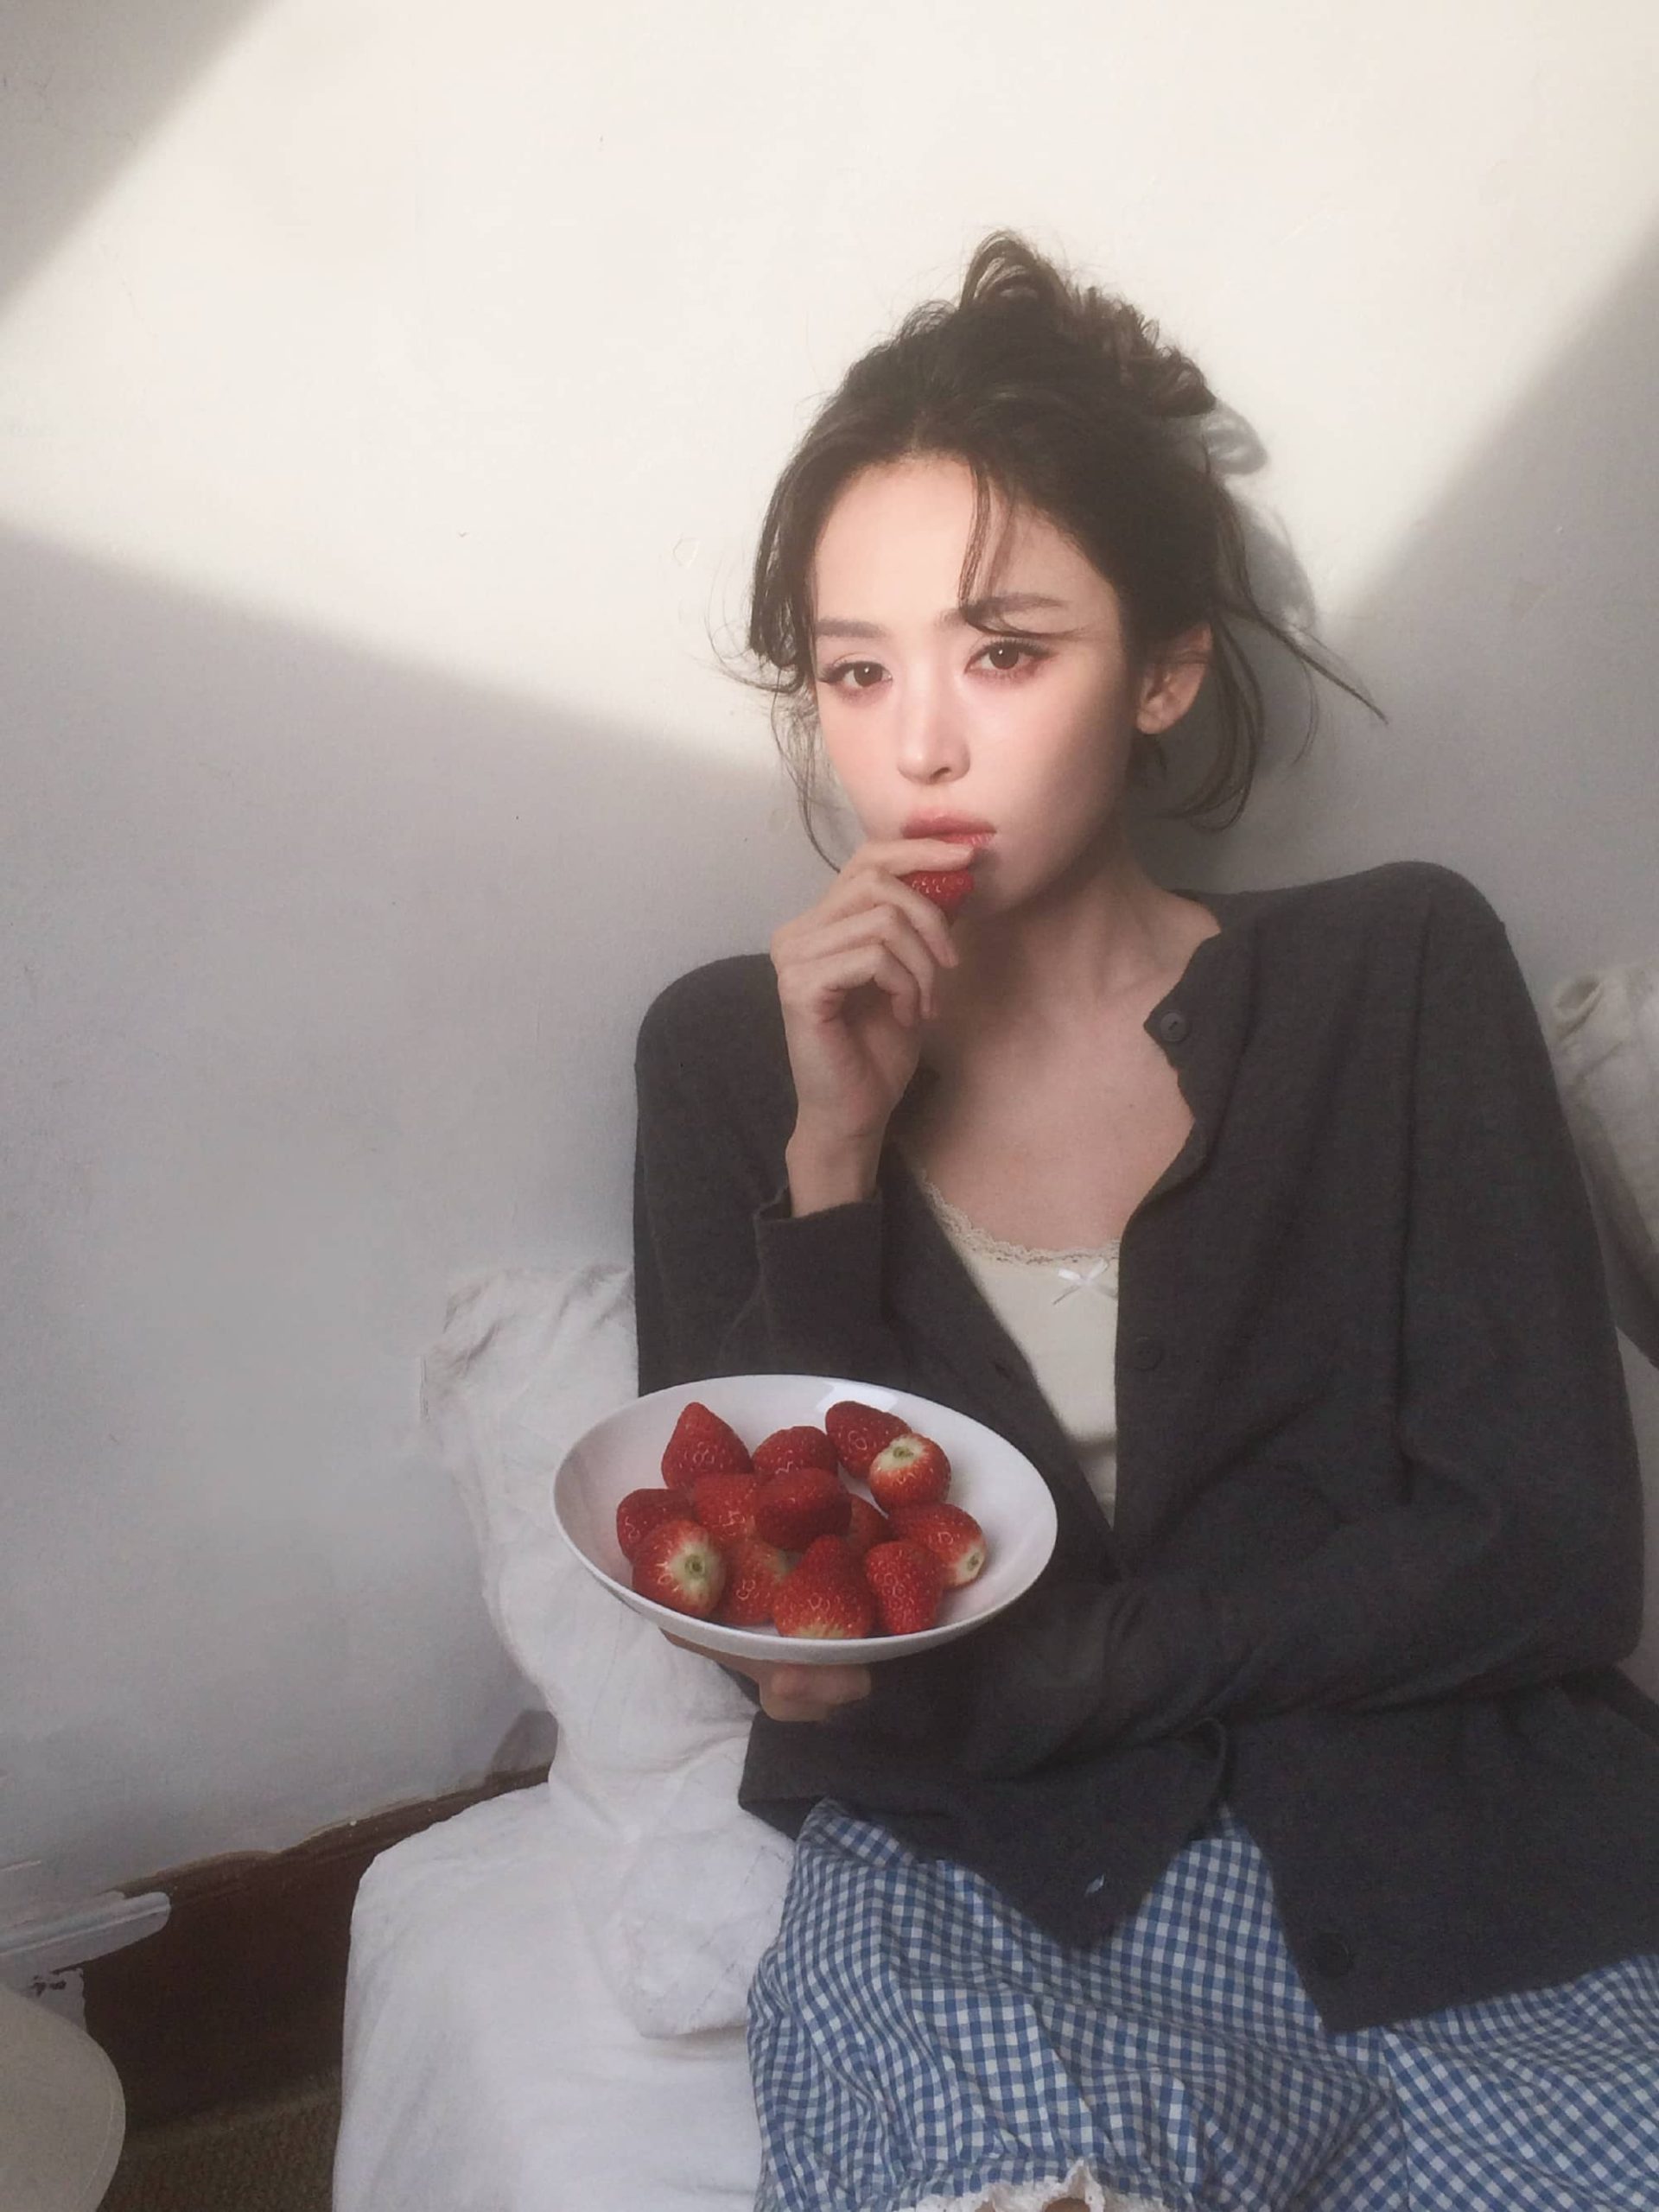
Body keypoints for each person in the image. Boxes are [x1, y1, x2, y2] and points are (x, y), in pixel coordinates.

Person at [631, 232, 1659, 2212]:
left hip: (1467, 1870)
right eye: (857, 670)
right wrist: (831, 1159)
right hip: (990, 1894)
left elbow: (1544, 1552)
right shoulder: (727, 1058)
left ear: (1166, 669)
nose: (919, 744)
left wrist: (1067, 1664)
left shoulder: (1396, 970)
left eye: (1005, 652)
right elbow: (788, 1640)